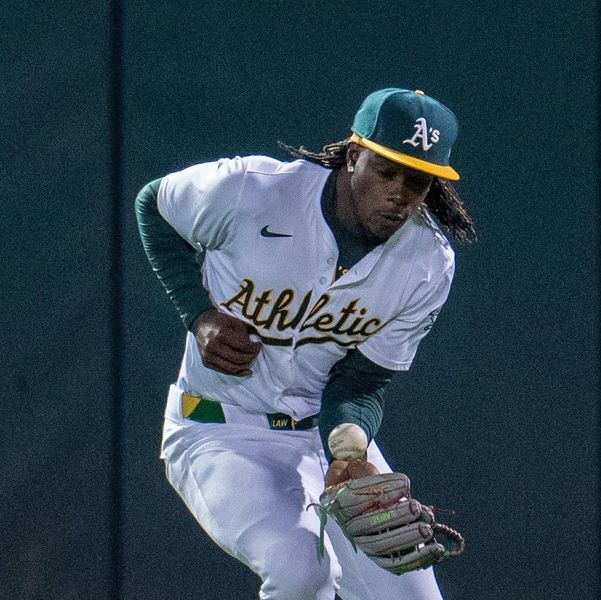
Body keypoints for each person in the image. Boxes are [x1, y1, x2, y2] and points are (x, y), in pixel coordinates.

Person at [135, 87, 476, 600]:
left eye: (419, 180)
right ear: (354, 156)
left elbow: (360, 385)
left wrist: (350, 447)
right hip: (219, 430)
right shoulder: (254, 189)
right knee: (302, 574)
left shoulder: (427, 262)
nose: (401, 193)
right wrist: (199, 314)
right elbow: (154, 205)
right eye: (387, 171)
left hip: (316, 439)